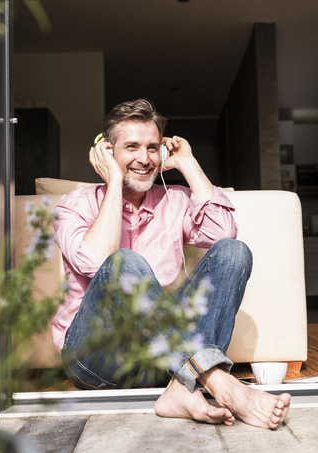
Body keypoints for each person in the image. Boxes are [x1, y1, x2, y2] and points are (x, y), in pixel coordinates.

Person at [52, 99, 290, 429]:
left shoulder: (174, 199)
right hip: (96, 358)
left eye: (153, 148)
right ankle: (218, 381)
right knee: (124, 262)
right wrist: (116, 184)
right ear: (107, 152)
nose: (144, 158)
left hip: (161, 359)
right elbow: (96, 262)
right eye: (131, 147)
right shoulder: (74, 204)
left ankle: (181, 388)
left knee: (233, 252)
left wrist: (188, 163)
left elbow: (225, 232)